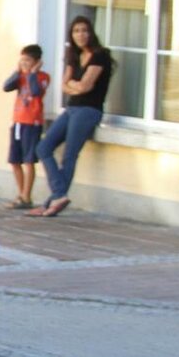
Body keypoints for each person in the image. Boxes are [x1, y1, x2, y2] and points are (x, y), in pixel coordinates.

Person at [32, 17, 110, 218]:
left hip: (89, 110)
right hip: (72, 109)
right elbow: (63, 85)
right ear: (71, 35)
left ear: (90, 32)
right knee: (43, 147)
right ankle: (58, 195)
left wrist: (74, 86)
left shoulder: (100, 56)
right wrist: (75, 85)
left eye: (84, 30)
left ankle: (54, 199)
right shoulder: (74, 56)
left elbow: (86, 86)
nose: (80, 34)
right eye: (76, 31)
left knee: (69, 155)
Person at [4, 43, 49, 210]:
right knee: (15, 160)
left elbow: (36, 91)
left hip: (32, 123)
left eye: (28, 61)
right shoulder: (20, 76)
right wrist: (18, 71)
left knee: (29, 160)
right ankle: (21, 193)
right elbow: (6, 86)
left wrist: (33, 73)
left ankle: (26, 195)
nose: (24, 64)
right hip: (18, 122)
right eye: (22, 60)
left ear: (37, 62)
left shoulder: (42, 77)